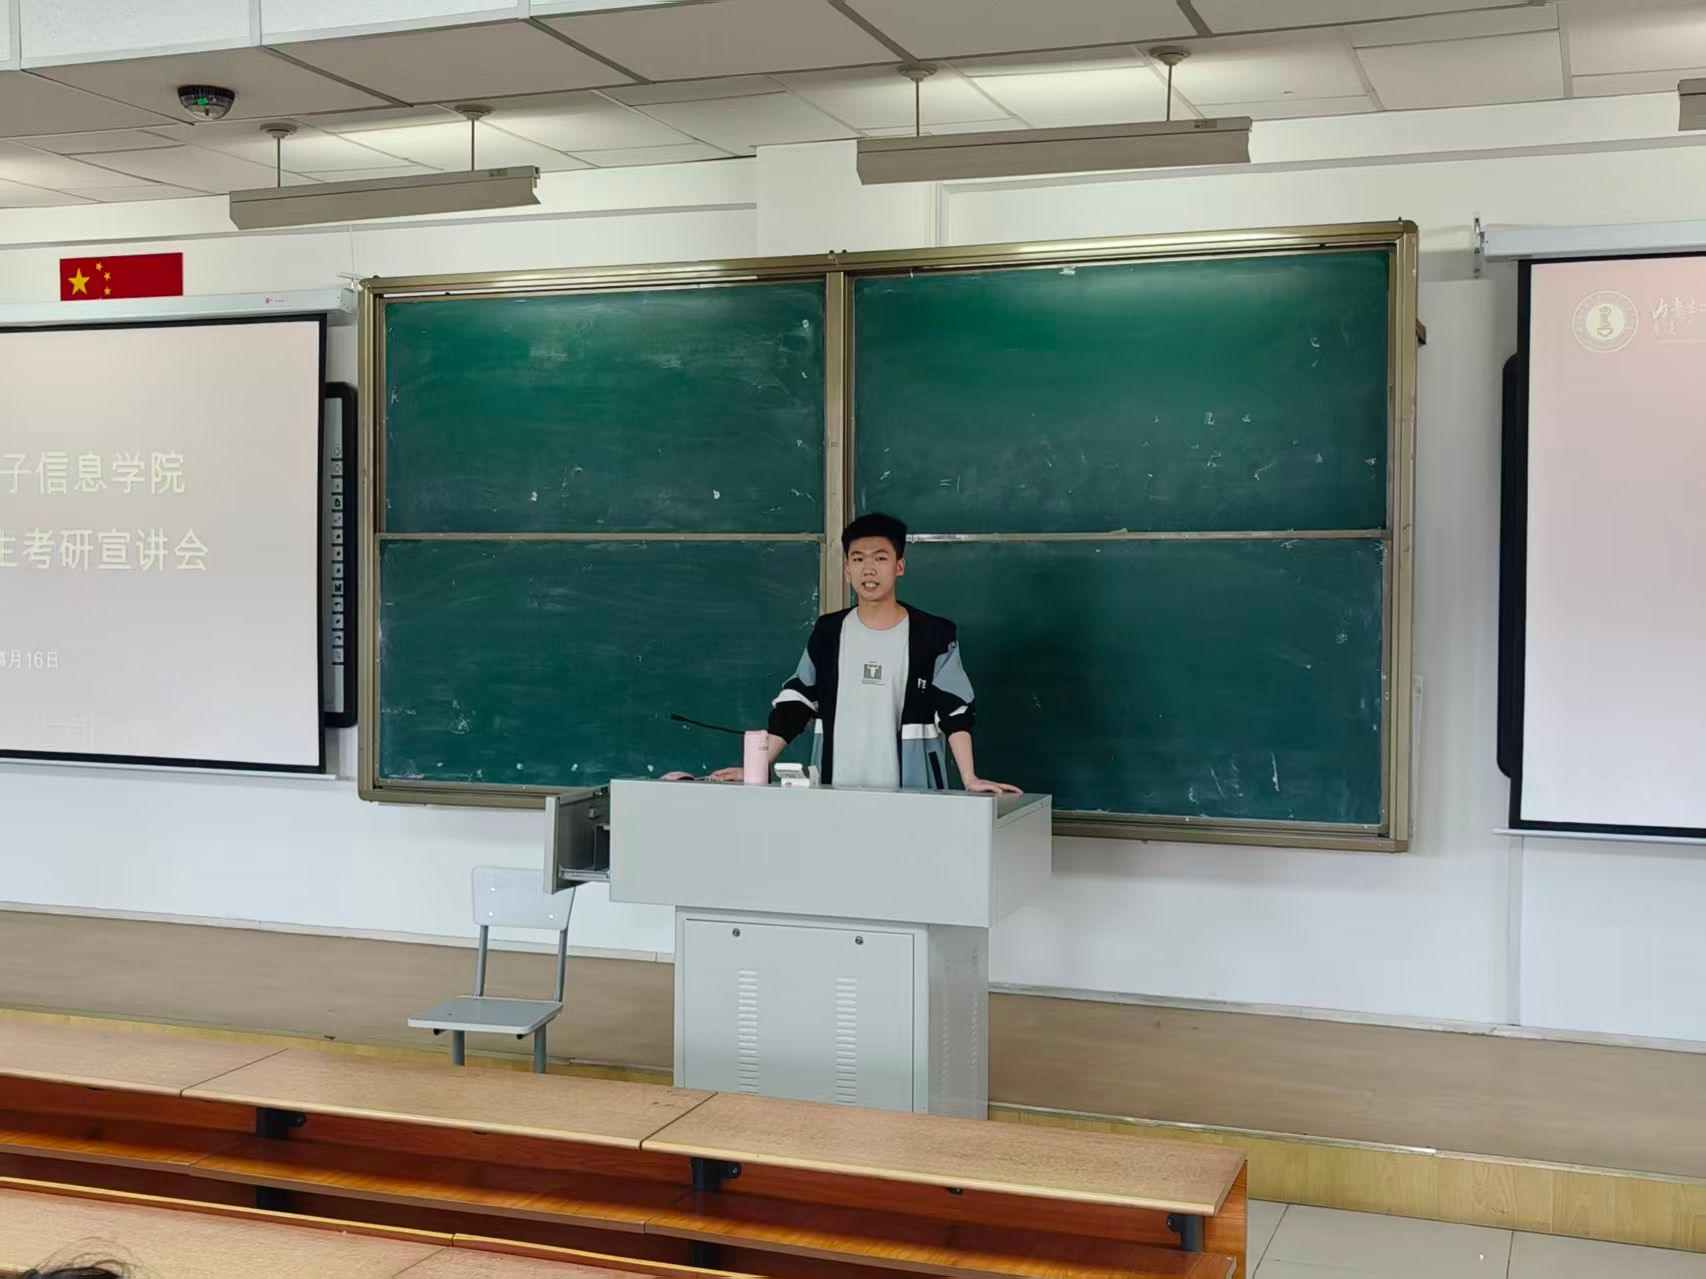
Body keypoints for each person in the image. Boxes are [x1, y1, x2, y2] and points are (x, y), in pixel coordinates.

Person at [714, 513, 1019, 794]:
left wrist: (970, 778)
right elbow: (796, 703)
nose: (869, 569)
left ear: (899, 566)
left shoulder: (933, 635)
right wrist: (755, 767)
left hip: (913, 796)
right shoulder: (829, 632)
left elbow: (955, 711)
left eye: (880, 558)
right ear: (847, 568)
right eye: (858, 559)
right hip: (834, 793)